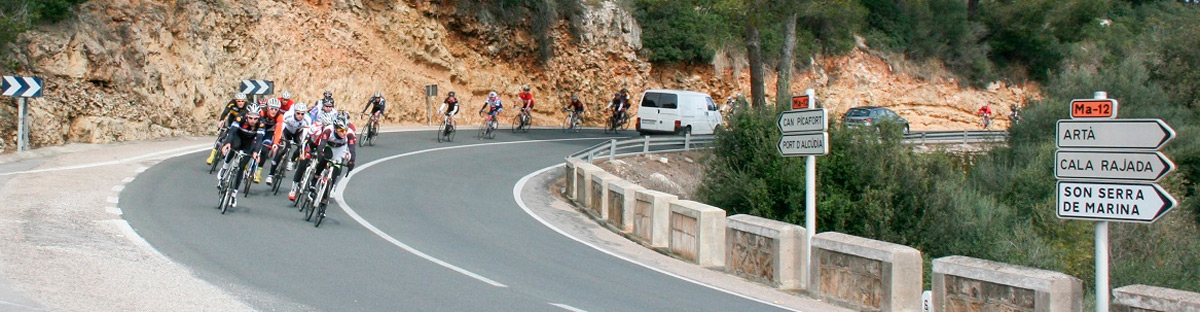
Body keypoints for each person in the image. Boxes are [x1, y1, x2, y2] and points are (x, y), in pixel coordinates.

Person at [218, 104, 265, 205]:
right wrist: (227, 143)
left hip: (250, 141)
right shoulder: (240, 117)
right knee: (233, 147)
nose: (253, 120)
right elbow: (232, 132)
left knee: (242, 167)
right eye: (250, 118)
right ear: (246, 115)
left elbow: (260, 139)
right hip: (238, 136)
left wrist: (256, 152)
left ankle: (234, 194)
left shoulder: (261, 123)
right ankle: (225, 168)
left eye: (255, 118)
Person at [207, 93, 249, 165]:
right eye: (238, 101)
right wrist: (221, 121)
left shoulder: (247, 107)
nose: (240, 103)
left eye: (242, 101)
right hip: (231, 120)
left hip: (240, 123)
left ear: (245, 101)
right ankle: (212, 155)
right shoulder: (232, 103)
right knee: (222, 135)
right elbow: (225, 112)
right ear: (235, 101)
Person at [275, 102, 311, 178]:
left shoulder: (307, 119)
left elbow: (304, 135)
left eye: (302, 114)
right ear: (294, 112)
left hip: (298, 133)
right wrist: (280, 138)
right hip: (287, 131)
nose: (300, 116)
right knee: (284, 148)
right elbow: (282, 128)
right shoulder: (288, 115)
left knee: (301, 145)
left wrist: (302, 148)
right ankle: (273, 169)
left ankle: (291, 160)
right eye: (298, 113)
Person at [257, 98, 286, 185]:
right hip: (259, 129)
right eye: (272, 108)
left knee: (265, 151)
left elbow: (278, 131)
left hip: (269, 132)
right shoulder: (262, 112)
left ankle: (258, 172)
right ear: (267, 108)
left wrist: (275, 143)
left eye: (276, 109)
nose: (273, 111)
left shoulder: (280, 116)